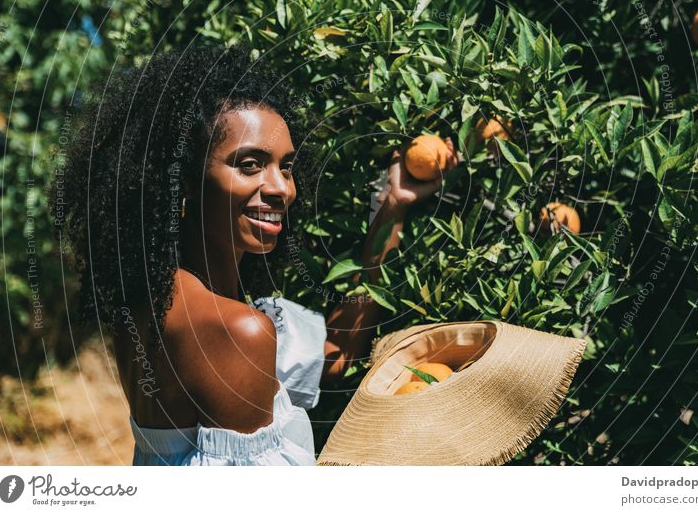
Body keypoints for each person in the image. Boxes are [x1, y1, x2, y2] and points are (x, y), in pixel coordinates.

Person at [50, 45, 458, 465]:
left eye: (287, 167)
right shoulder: (234, 330)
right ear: (182, 180)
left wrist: (393, 208)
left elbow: (331, 357)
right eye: (249, 164)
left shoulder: (155, 300)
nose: (281, 188)